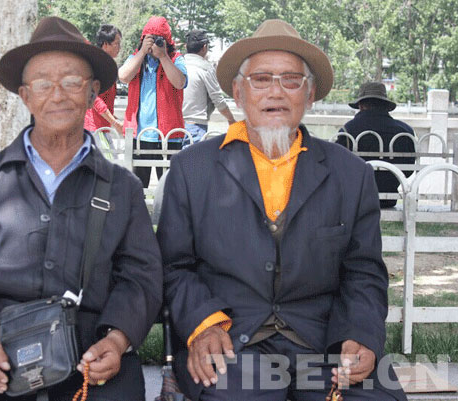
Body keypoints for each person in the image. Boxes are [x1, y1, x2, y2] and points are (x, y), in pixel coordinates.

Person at [0, 17, 162, 401]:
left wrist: (118, 338)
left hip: (90, 352)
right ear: (26, 96)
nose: (57, 95)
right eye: (43, 84)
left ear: (93, 91)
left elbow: (141, 275)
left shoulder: (123, 189)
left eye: (72, 81)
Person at [157, 19, 407, 401]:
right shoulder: (192, 169)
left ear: (309, 95)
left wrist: (360, 334)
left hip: (325, 343)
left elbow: (364, 271)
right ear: (238, 92)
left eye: (291, 80)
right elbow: (173, 266)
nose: (276, 91)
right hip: (231, 342)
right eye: (261, 79)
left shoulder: (350, 174)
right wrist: (203, 324)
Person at [119, 16, 187, 188]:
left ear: (167, 41)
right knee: (136, 188)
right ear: (143, 39)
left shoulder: (176, 59)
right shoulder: (136, 58)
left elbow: (180, 82)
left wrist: (163, 57)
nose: (155, 43)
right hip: (139, 135)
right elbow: (123, 76)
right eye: (151, 38)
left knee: (171, 189)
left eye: (159, 39)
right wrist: (142, 52)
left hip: (170, 136)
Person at [336, 81, 416, 208]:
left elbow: (338, 166)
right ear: (386, 106)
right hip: (390, 198)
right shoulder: (405, 131)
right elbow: (408, 169)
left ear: (361, 105)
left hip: (357, 199)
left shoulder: (348, 130)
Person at [182, 29, 236, 147]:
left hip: (174, 126)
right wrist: (231, 120)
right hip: (195, 126)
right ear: (204, 47)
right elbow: (217, 99)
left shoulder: (177, 65)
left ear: (186, 46)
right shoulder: (205, 68)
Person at [84, 24, 124, 134]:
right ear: (105, 44)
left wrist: (114, 119)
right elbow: (95, 98)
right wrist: (114, 122)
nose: (119, 48)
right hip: (94, 129)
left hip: (102, 127)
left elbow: (106, 102)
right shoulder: (98, 65)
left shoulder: (108, 65)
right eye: (116, 44)